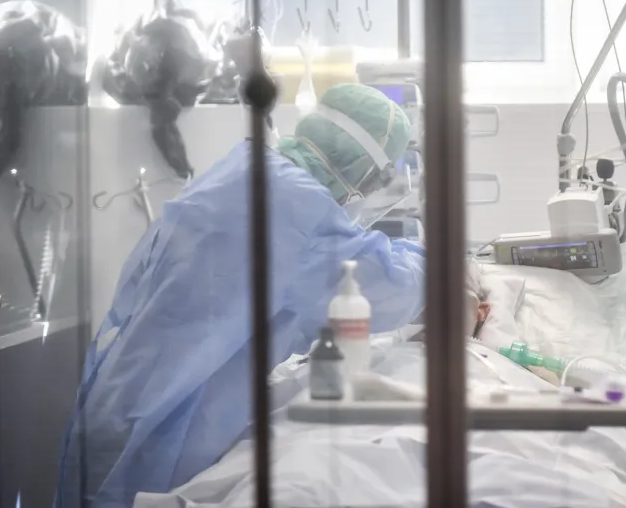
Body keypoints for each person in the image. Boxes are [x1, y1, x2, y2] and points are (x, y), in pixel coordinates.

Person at [56, 83, 426, 508]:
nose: (373, 190)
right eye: (378, 178)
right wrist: (450, 267)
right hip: (169, 431)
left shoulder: (246, 170)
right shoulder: (298, 212)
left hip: (117, 401)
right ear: (362, 168)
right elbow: (387, 285)